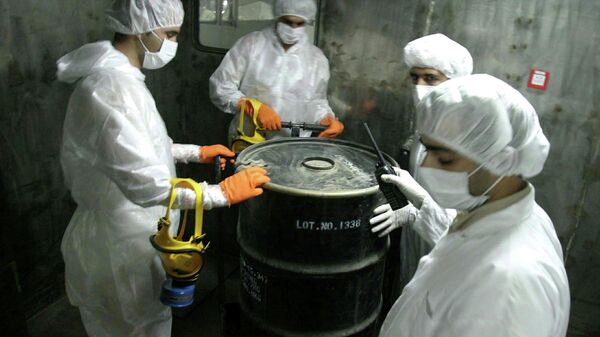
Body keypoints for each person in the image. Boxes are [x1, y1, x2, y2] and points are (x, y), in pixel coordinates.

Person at [57, 1, 270, 336]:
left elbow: (141, 150)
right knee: (137, 328)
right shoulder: (110, 89)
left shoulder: (124, 80)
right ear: (142, 28)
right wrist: (222, 193)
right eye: (170, 33)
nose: (173, 43)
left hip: (136, 232)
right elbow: (145, 185)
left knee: (151, 323)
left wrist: (196, 152)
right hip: (118, 249)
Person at [378, 74, 570, 337]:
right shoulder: (505, 214)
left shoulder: (509, 290)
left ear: (501, 161)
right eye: (428, 151)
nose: (425, 166)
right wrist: (421, 206)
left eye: (444, 159)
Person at [370, 33, 473, 297]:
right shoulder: (426, 125)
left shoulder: (469, 138)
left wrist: (417, 214)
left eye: (431, 78)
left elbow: (465, 233)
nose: (420, 86)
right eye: (414, 77)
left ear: (455, 81)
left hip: (449, 257)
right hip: (417, 241)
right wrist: (410, 213)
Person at [209, 0, 344, 141]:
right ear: (278, 17)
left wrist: (327, 119)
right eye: (287, 21)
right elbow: (221, 87)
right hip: (250, 138)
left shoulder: (316, 59)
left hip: (293, 143)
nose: (293, 28)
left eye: (299, 24)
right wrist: (253, 108)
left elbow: (317, 102)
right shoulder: (250, 45)